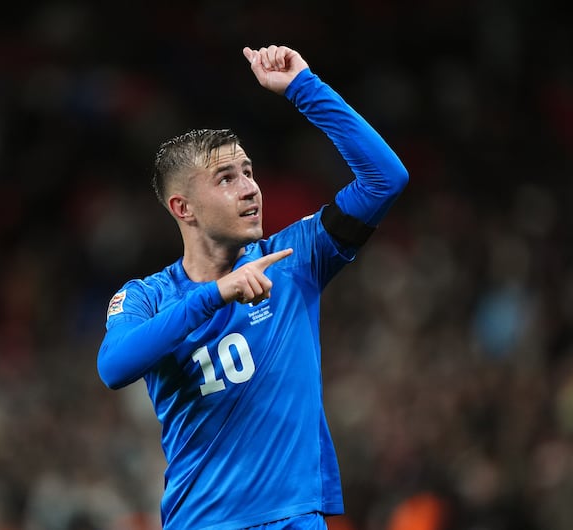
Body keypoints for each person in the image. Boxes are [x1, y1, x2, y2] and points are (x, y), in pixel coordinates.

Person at [96, 44, 409, 530]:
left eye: (248, 172)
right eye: (225, 178)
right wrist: (217, 294)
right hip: (203, 521)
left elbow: (385, 179)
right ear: (184, 208)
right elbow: (114, 366)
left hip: (294, 519)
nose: (249, 188)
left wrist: (306, 88)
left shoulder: (294, 259)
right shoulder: (147, 297)